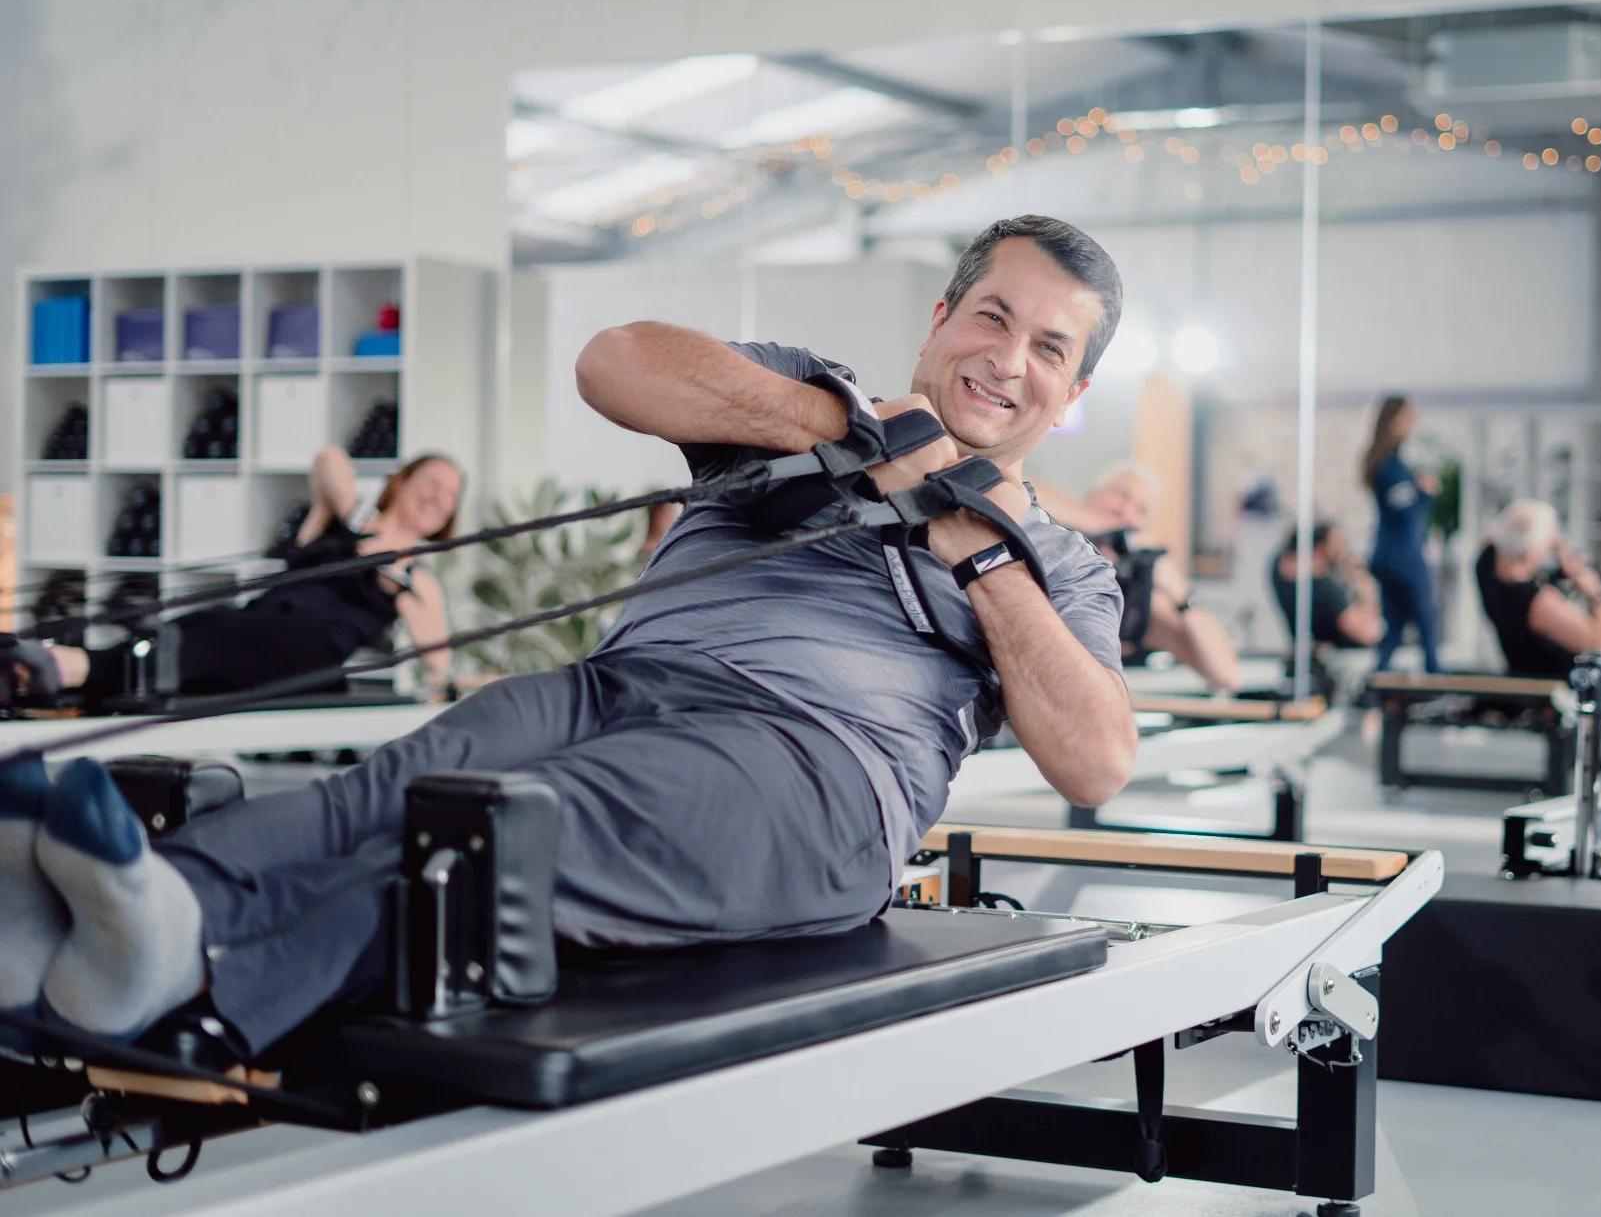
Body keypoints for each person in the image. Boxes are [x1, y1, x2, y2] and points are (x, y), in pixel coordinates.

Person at [0, 215, 1135, 1061]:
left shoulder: (1066, 567)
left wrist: (974, 542)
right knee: (400, 785)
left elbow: (1094, 762)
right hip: (623, 683)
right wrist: (855, 435)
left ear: (1072, 387)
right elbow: (615, 361)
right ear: (941, 319)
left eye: (1049, 347)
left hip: (812, 768)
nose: (1008, 358)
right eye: (993, 316)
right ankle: (81, 916)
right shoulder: (811, 392)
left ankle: (194, 974)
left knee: (507, 827)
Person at [4, 448, 458, 707]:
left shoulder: (417, 579)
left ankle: (62, 666)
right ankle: (54, 672)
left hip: (310, 656)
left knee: (202, 643)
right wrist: (359, 523)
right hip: (253, 624)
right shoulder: (338, 520)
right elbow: (329, 459)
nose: (439, 497)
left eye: (451, 495)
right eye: (433, 483)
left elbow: (437, 659)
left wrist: (397, 574)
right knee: (190, 631)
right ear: (402, 481)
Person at [1040, 462, 1242, 693]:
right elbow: (1016, 491)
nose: (1127, 511)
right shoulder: (1046, 536)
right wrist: (1096, 528)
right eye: (1121, 494)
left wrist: (1181, 594)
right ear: (1092, 494)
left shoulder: (1136, 594)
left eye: (1141, 510)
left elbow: (1227, 676)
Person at [1474, 499, 1601, 679]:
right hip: (1552, 686)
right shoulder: (1536, 602)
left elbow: (1497, 536)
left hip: (1519, 674)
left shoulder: (1486, 566)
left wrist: (1562, 555)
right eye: (1548, 546)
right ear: (1530, 554)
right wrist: (1595, 596)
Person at [1362, 395, 1441, 673]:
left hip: (1389, 555)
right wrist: (1426, 493)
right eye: (1409, 418)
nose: (1412, 424)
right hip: (1402, 556)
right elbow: (1407, 513)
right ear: (1394, 421)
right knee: (1426, 622)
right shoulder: (1391, 468)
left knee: (1394, 626)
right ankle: (1436, 680)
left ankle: (1377, 680)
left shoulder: (1388, 464)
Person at [1270, 521, 1385, 652]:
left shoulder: (1280, 570)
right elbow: (1368, 634)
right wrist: (1366, 589)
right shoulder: (1325, 589)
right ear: (1320, 548)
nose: (1343, 549)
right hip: (1346, 653)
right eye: (1339, 544)